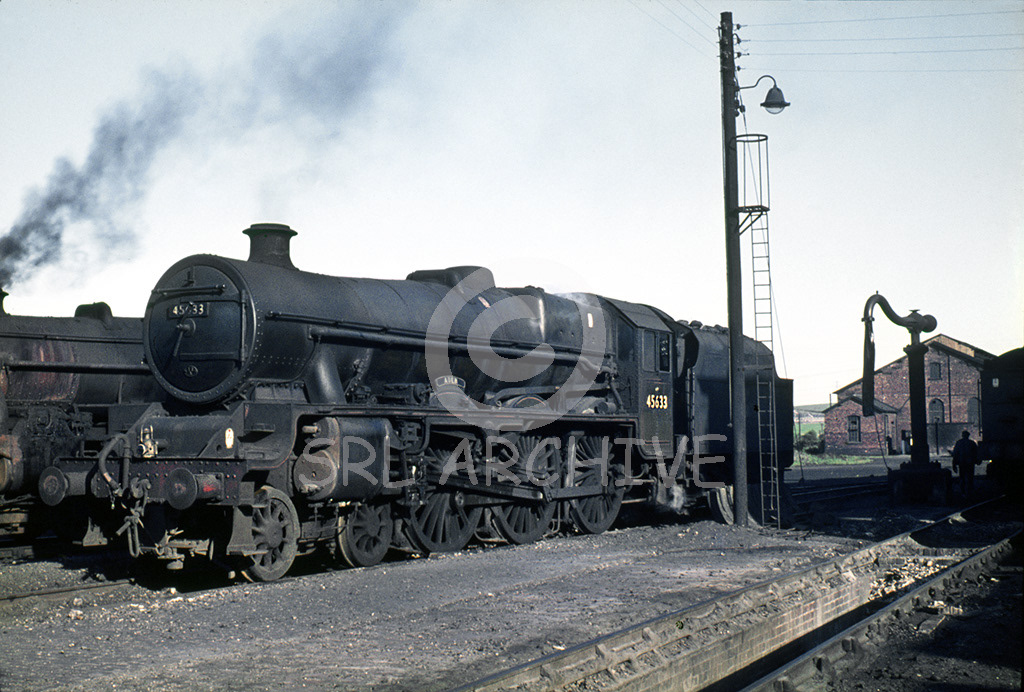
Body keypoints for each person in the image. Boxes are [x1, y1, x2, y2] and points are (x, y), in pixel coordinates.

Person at [951, 430, 979, 496]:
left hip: (962, 463)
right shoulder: (972, 443)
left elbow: (955, 454)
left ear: (962, 435)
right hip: (970, 463)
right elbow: (976, 453)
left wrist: (954, 464)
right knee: (970, 478)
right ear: (968, 435)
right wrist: (977, 461)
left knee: (962, 477)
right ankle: (970, 491)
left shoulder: (959, 443)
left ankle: (963, 492)